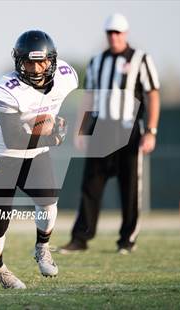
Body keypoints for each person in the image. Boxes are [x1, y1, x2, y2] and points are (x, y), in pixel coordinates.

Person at [0, 30, 78, 288]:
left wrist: (52, 126)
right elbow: (14, 139)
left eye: (41, 61)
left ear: (52, 61)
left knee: (48, 200)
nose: (36, 69)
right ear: (18, 62)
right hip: (2, 156)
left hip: (35, 154)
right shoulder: (8, 89)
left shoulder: (65, 77)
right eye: (29, 62)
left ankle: (42, 247)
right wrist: (51, 137)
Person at [58, 13, 160, 254]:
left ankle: (127, 240)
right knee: (90, 186)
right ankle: (80, 238)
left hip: (129, 129)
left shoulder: (140, 59)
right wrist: (81, 130)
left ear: (125, 34)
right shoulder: (96, 62)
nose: (114, 37)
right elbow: (89, 97)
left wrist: (152, 131)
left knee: (130, 188)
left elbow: (153, 94)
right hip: (101, 129)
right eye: (110, 33)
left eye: (118, 32)